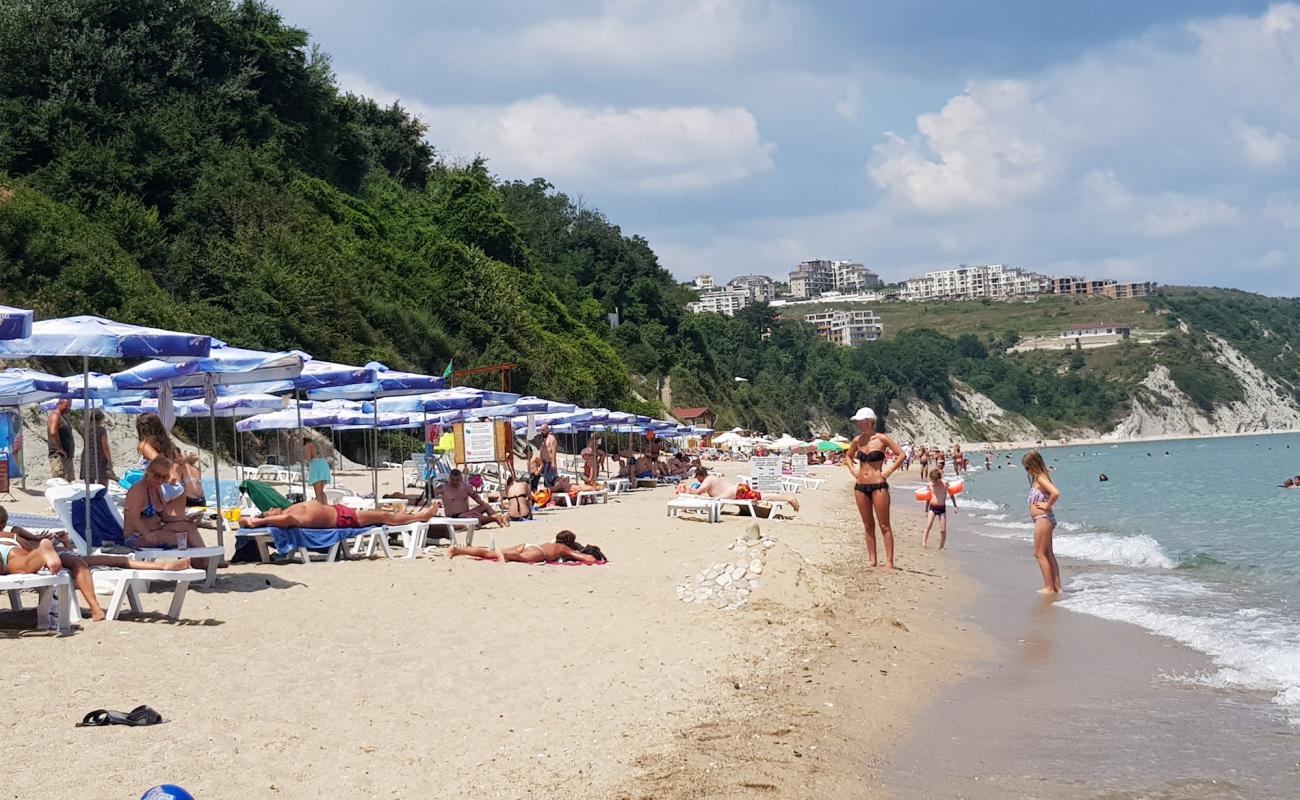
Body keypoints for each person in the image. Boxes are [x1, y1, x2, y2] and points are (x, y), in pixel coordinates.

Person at [2, 507, 193, 621]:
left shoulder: (9, 535)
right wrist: (54, 543)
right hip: (27, 549)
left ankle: (44, 551)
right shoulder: (14, 533)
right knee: (84, 561)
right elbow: (28, 539)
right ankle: (96, 608)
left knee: (24, 565)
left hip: (14, 554)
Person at [844, 407, 904, 569]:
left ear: (870, 422)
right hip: (860, 486)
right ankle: (872, 559)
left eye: (860, 422)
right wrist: (853, 471)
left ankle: (889, 561)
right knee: (868, 524)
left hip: (879, 485)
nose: (858, 424)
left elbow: (901, 455)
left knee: (884, 524)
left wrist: (888, 471)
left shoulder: (882, 439)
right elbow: (848, 456)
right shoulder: (857, 441)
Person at [122, 457, 209, 565]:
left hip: (157, 530)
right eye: (157, 476)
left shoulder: (158, 489)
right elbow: (134, 518)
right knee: (181, 540)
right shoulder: (138, 491)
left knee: (189, 527)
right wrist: (147, 533)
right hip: (137, 536)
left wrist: (183, 518)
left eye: (164, 477)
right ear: (148, 472)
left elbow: (164, 517)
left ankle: (206, 562)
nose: (160, 480)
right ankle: (200, 566)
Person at [239, 497, 450, 529]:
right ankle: (421, 516)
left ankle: (416, 514)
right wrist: (256, 523)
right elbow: (285, 519)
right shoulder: (287, 517)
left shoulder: (287, 509)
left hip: (339, 511)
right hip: (341, 519)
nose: (269, 509)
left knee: (383, 513)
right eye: (266, 512)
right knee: (385, 516)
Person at [1023, 450, 1062, 594]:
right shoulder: (1041, 477)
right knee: (1048, 553)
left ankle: (1049, 587)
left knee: (1039, 553)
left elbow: (1056, 492)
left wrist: (1047, 505)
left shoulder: (1040, 478)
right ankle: (1057, 587)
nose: (1026, 471)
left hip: (1043, 518)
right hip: (1044, 519)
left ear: (1034, 465)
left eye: (1027, 467)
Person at [686, 467, 801, 512]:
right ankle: (787, 498)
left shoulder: (707, 481)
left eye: (697, 478)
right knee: (762, 495)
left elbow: (697, 492)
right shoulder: (712, 478)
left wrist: (685, 490)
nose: (697, 481)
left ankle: (788, 498)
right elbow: (719, 498)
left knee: (763, 496)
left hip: (738, 491)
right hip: (738, 489)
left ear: (700, 475)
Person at [448, 530, 600, 564]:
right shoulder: (564, 549)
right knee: (518, 557)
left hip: (528, 545)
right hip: (538, 553)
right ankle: (504, 556)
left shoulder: (553, 542)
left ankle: (458, 550)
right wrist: (590, 556)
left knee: (489, 553)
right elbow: (587, 558)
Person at [431, 469, 510, 528]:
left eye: (457, 480)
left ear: (460, 479)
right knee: (470, 518)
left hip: (466, 512)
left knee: (485, 506)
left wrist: (481, 503)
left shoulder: (465, 486)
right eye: (452, 480)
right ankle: (494, 518)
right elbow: (430, 494)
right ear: (449, 479)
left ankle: (501, 519)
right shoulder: (444, 488)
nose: (454, 482)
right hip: (455, 517)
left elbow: (475, 496)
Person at [921, 468, 957, 549]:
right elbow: (928, 498)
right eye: (932, 481)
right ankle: (924, 542)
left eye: (935, 481)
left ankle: (941, 546)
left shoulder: (945, 484)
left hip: (942, 509)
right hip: (932, 508)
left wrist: (955, 506)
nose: (934, 482)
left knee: (943, 529)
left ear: (939, 478)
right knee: (929, 525)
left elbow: (951, 494)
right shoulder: (930, 486)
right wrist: (926, 510)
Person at [80, 408, 115, 485]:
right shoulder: (101, 430)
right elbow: (105, 447)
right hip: (99, 456)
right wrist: (109, 461)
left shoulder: (85, 428)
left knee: (89, 483)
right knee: (103, 481)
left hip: (87, 455)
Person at [47, 398, 75, 481]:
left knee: (68, 483)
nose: (68, 408)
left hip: (67, 456)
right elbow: (53, 432)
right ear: (59, 404)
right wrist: (60, 448)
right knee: (61, 482)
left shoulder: (63, 417)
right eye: (66, 406)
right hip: (59, 456)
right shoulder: (55, 415)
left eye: (69, 406)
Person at [303, 438, 331, 504]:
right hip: (324, 464)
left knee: (318, 494)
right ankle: (326, 507)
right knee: (321, 491)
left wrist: (304, 455)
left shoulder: (308, 445)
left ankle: (322, 510)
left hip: (316, 466)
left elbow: (308, 458)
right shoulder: (316, 444)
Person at [538, 424, 558, 488]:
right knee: (546, 481)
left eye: (543, 430)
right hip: (544, 463)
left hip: (549, 462)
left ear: (547, 430)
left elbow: (553, 450)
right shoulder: (544, 439)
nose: (542, 432)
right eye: (541, 430)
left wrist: (553, 462)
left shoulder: (551, 438)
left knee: (549, 481)